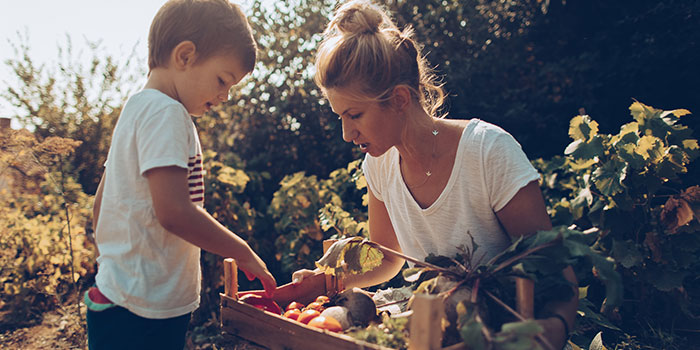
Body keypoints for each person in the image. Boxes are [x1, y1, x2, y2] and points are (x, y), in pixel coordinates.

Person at [291, 0, 578, 349]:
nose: (346, 134)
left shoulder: (488, 152)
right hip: (435, 328)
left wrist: (554, 329)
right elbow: (388, 258)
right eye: (340, 117)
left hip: (502, 334)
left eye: (354, 115)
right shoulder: (379, 165)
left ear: (398, 99)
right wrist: (325, 282)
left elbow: (557, 273)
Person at [86, 1, 277, 349]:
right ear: (185, 56)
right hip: (142, 311)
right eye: (223, 80)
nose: (225, 96)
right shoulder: (167, 114)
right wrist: (242, 250)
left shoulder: (136, 108)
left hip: (119, 297)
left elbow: (101, 203)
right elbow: (174, 211)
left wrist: (115, 267)